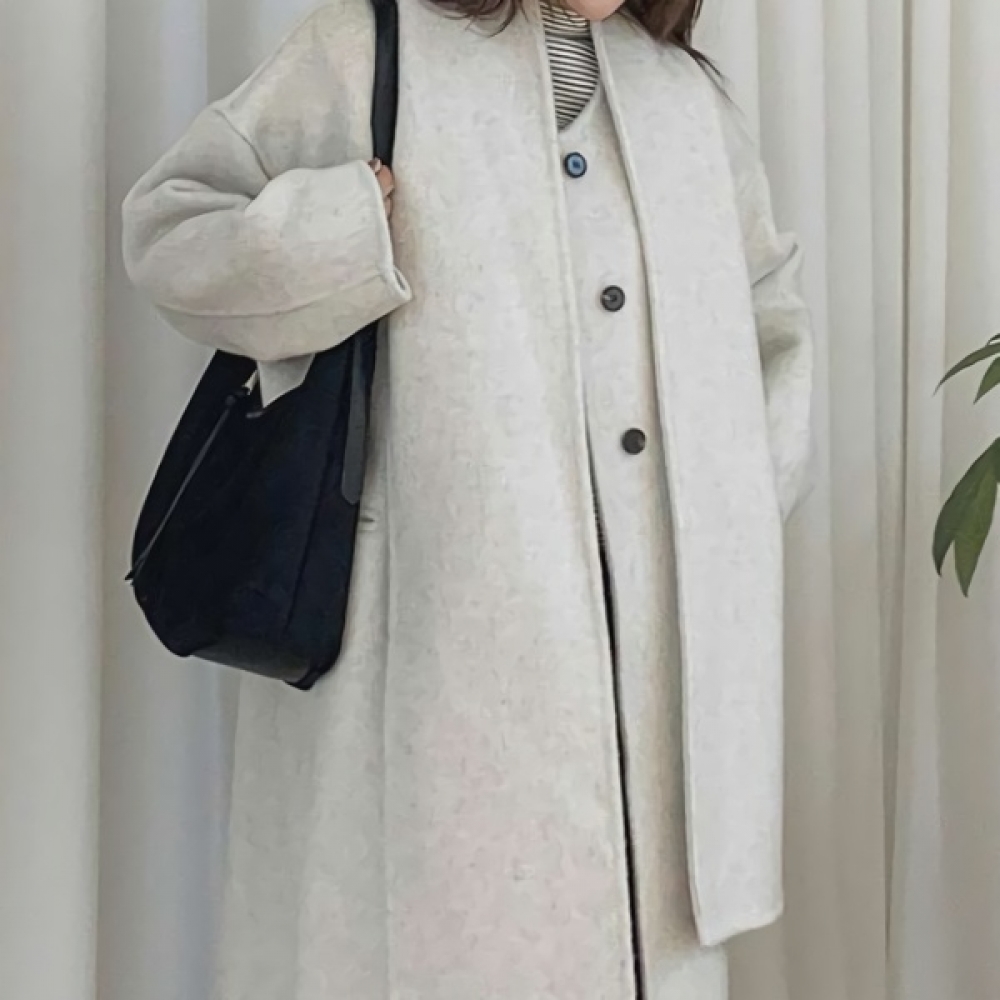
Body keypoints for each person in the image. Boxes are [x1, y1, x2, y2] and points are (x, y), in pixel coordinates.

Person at [121, 0, 814, 996]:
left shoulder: (686, 98)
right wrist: (348, 227)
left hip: (663, 697)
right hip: (434, 667)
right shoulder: (368, 46)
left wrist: (734, 508)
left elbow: (770, 318)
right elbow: (171, 227)